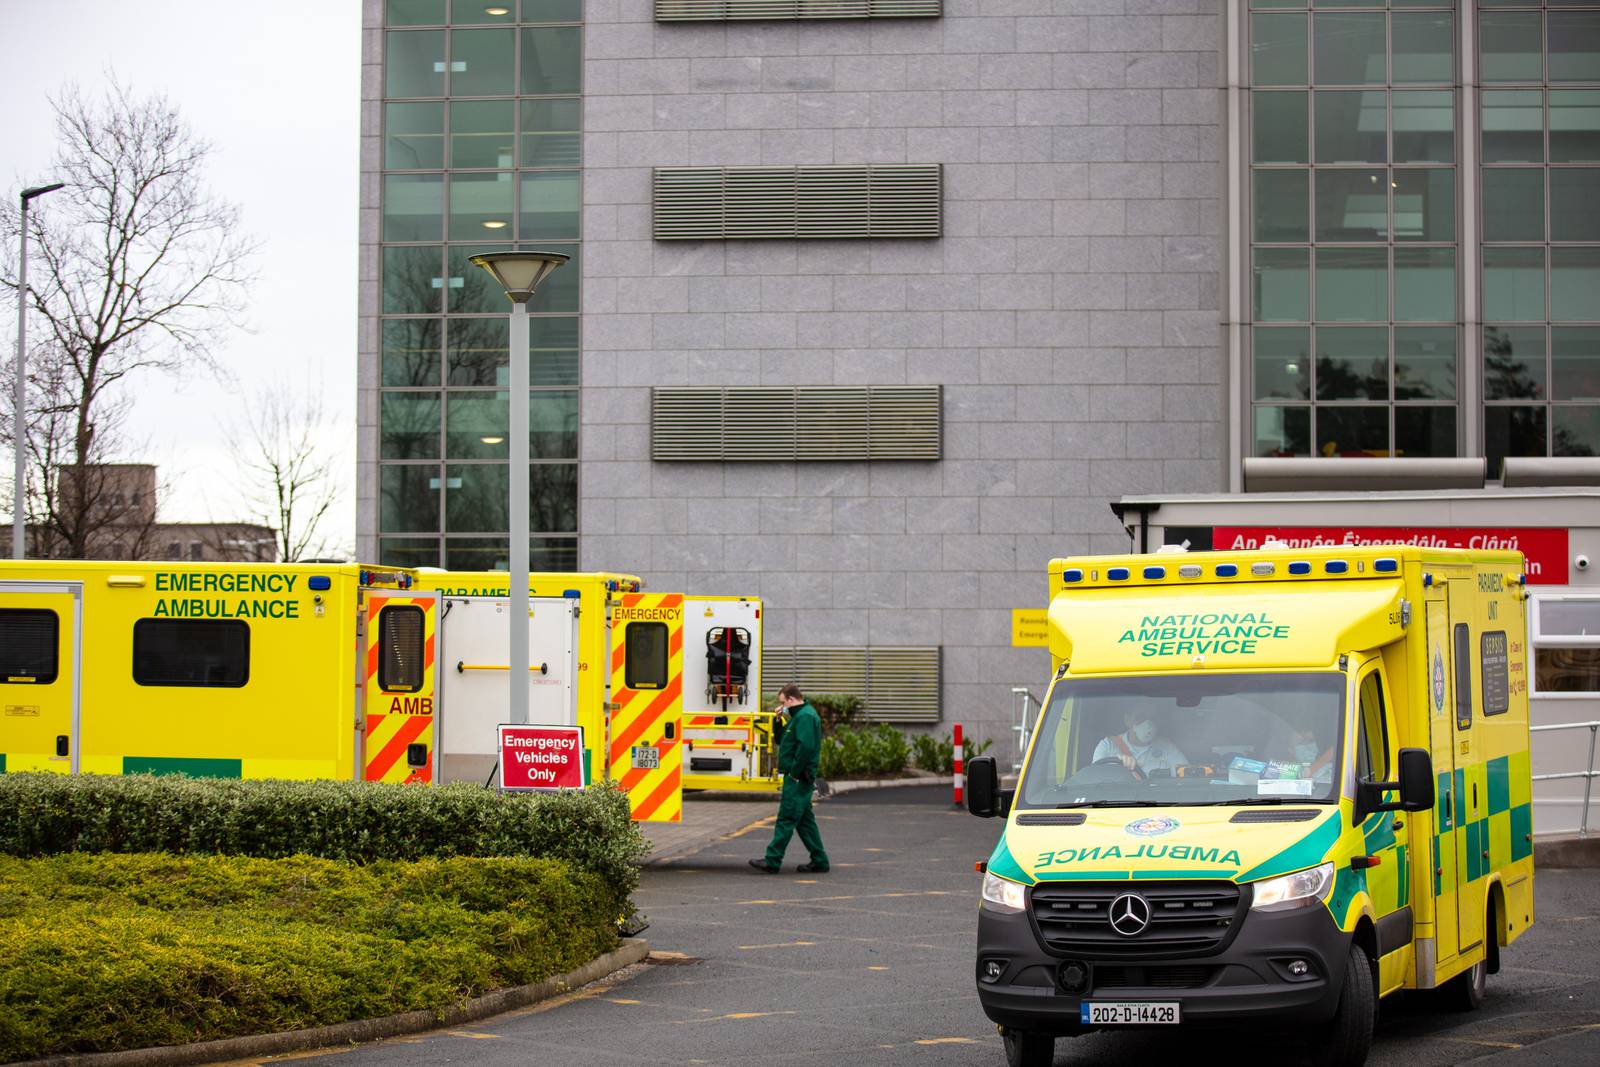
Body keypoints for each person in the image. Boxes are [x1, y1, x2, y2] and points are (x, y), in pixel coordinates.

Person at [750, 684, 830, 874]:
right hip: (799, 777)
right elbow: (782, 740)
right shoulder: (798, 717)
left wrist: (794, 773)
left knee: (786, 817)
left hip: (798, 778)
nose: (781, 706)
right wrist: (778, 720)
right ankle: (819, 860)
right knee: (804, 822)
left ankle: (772, 860)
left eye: (782, 702)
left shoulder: (805, 717)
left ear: (791, 699)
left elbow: (806, 748)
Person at [1092, 709, 1188, 775]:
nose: (1148, 723)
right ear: (1127, 720)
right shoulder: (1108, 745)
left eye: (1153, 718)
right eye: (1141, 717)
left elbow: (1186, 774)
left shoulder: (1167, 747)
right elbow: (1095, 778)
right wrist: (1116, 765)